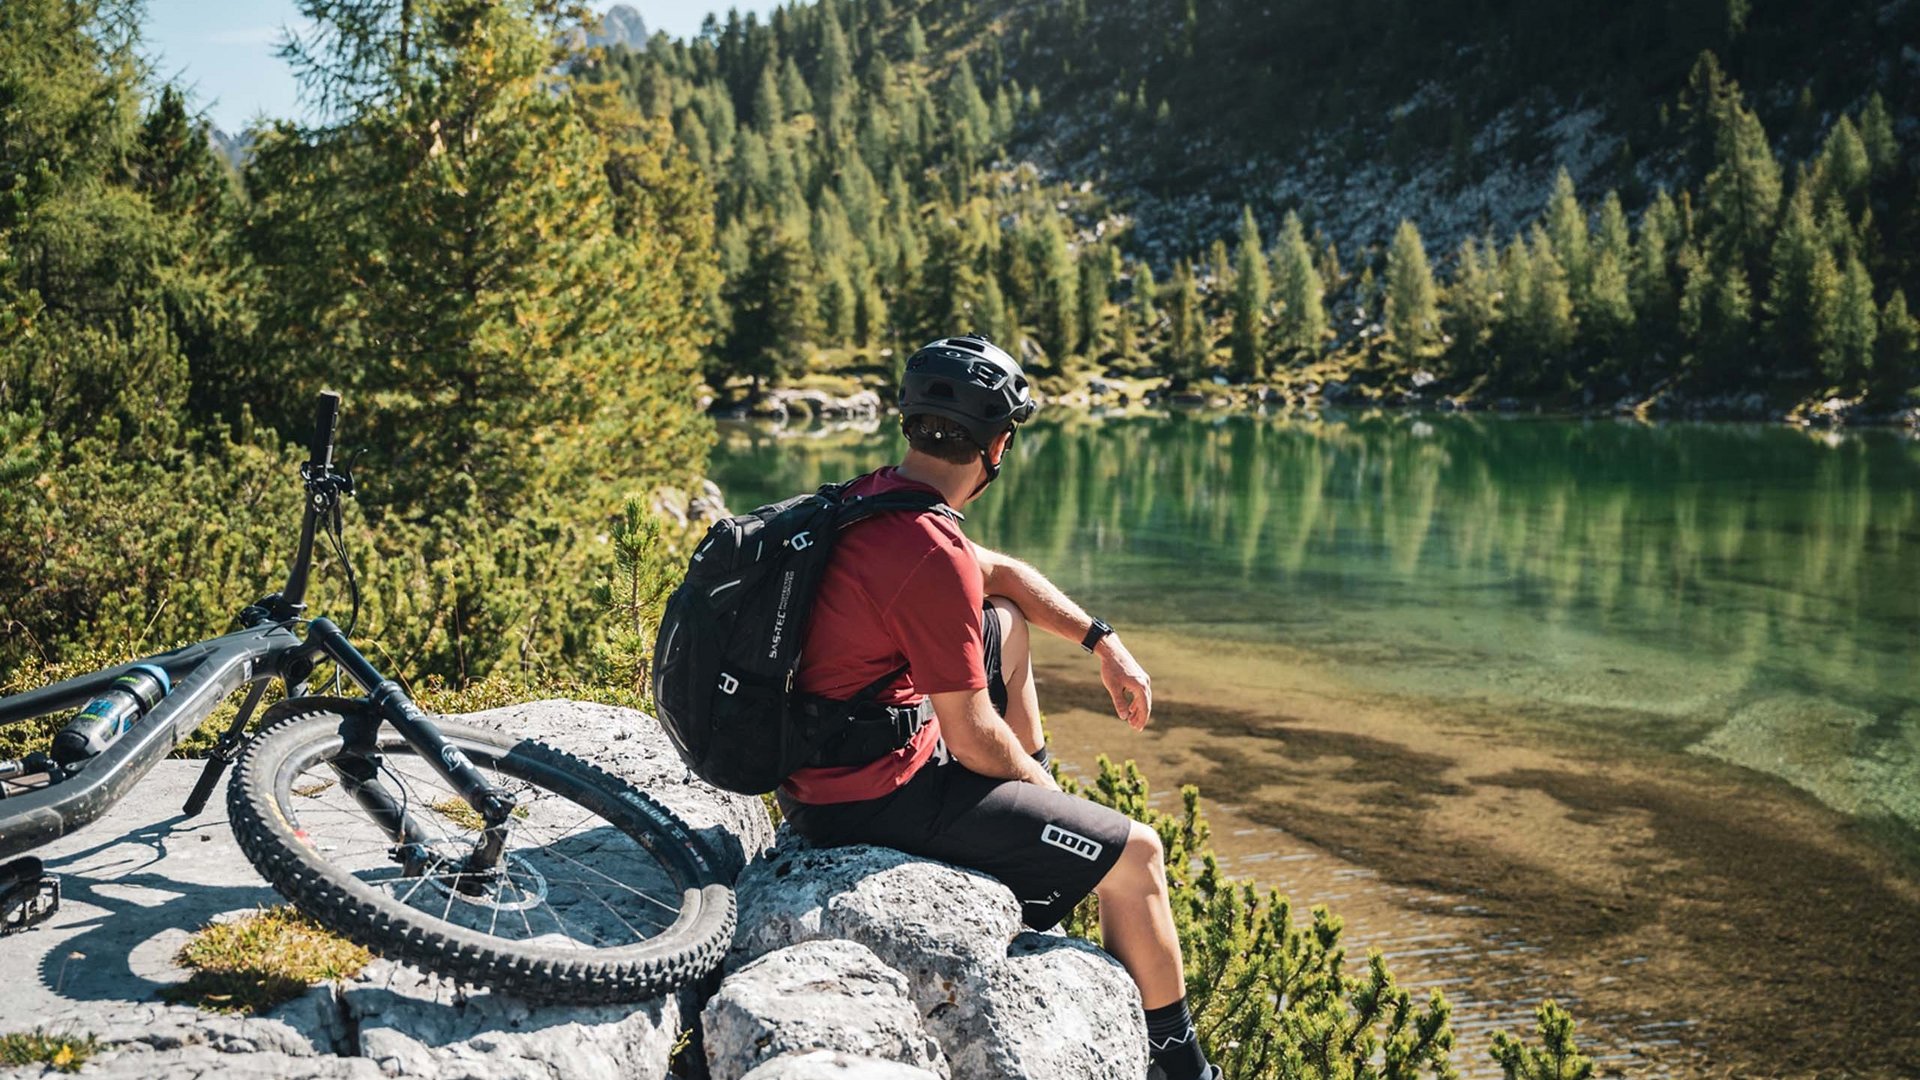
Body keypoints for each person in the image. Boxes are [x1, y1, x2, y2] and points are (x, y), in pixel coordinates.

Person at [776, 334, 1220, 1080]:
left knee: (1006, 625)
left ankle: (1035, 848)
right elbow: (975, 737)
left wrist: (1103, 642)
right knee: (1137, 854)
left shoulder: (869, 501)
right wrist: (1049, 800)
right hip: (869, 802)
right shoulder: (930, 551)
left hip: (825, 768)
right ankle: (1180, 1068)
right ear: (999, 444)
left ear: (910, 424)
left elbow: (1006, 576)